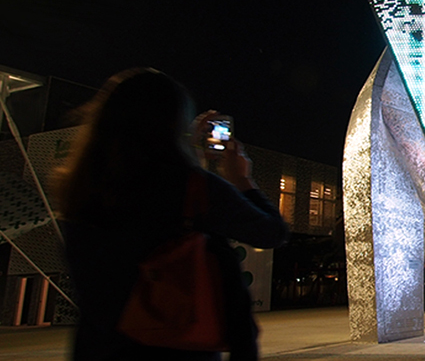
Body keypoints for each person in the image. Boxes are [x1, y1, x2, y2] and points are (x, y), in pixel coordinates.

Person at [54, 68, 289, 360]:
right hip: (178, 348)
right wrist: (242, 181)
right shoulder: (191, 186)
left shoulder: (80, 188)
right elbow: (271, 232)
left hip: (99, 349)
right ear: (174, 125)